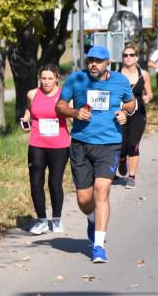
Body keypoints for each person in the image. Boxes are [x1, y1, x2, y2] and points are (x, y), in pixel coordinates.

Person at [55, 45, 136, 263]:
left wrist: (125, 112)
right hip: (81, 144)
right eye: (90, 60)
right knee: (84, 199)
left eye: (98, 61)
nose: (93, 64)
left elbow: (130, 102)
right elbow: (59, 105)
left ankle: (98, 246)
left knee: (102, 190)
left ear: (107, 63)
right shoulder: (76, 79)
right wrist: (74, 112)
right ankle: (91, 218)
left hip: (109, 144)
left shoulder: (120, 81)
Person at [19, 64, 68, 235]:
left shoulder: (64, 95)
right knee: (35, 182)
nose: (46, 82)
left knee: (54, 182)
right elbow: (28, 111)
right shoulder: (32, 94)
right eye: (43, 78)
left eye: (50, 78)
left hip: (59, 145)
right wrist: (25, 120)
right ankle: (41, 220)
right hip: (37, 143)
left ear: (56, 78)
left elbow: (73, 113)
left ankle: (56, 219)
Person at [117, 45, 153, 189]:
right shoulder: (117, 75)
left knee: (133, 143)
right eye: (125, 55)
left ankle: (131, 177)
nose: (128, 57)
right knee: (121, 145)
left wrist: (147, 97)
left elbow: (150, 93)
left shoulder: (143, 74)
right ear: (122, 58)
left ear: (136, 57)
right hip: (121, 112)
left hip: (138, 114)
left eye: (131, 55)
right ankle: (121, 159)